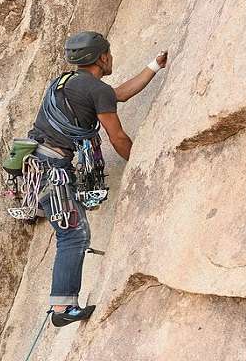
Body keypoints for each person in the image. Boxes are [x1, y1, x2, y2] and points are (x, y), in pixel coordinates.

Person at [27, 31, 167, 327]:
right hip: (53, 169)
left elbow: (118, 94)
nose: (111, 57)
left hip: (35, 167)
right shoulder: (94, 90)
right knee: (73, 235)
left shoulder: (68, 83)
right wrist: (144, 164)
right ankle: (63, 309)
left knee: (70, 232)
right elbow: (117, 138)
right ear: (102, 57)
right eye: (109, 53)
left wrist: (154, 66)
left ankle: (63, 305)